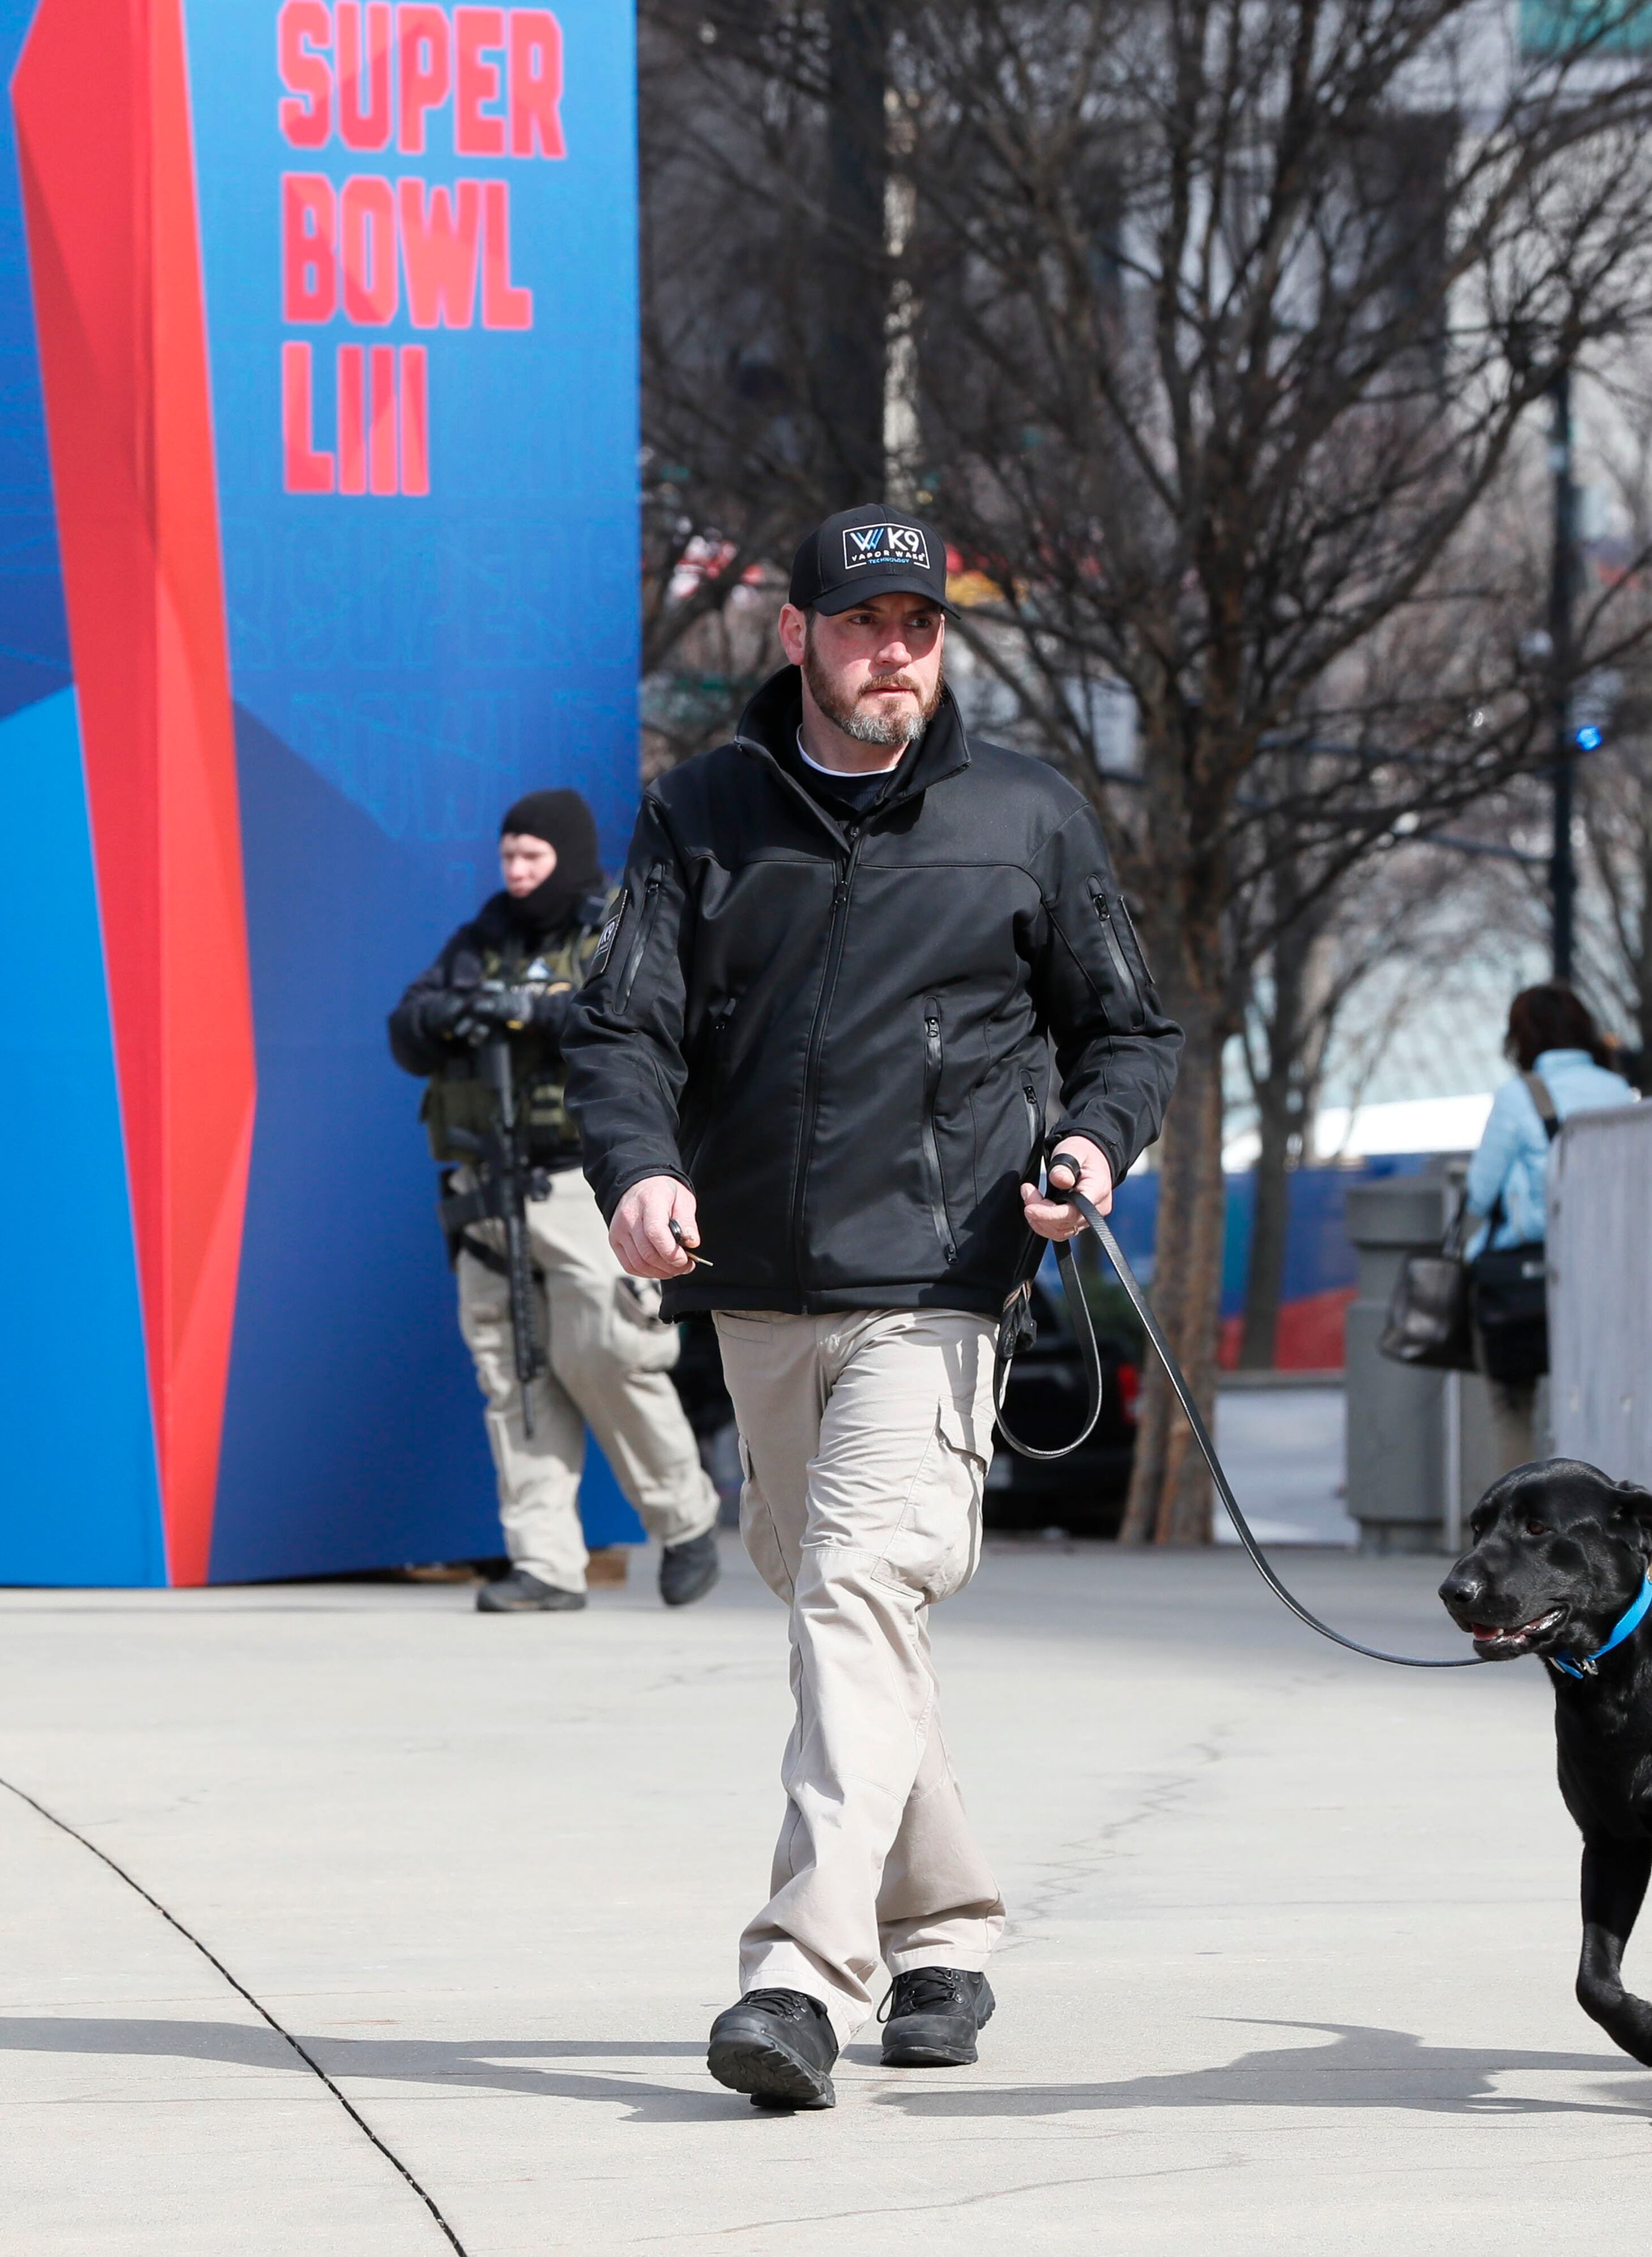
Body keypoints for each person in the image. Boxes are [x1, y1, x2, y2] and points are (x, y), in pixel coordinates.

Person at [563, 504, 1181, 2108]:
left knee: (851, 1586)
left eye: (919, 623)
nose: (892, 650)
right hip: (753, 1285)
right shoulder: (696, 813)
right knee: (848, 1613)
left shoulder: (1027, 814)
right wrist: (635, 1169)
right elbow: (620, 1029)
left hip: (939, 1283)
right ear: (796, 636)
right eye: (862, 623)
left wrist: (1093, 1146)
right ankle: (949, 1930)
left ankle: (796, 1972)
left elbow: (1131, 1036)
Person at [387, 789, 724, 1614]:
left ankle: (685, 1518)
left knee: (609, 1352)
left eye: (532, 857)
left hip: (582, 1180)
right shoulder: (480, 939)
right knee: (513, 1371)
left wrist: (532, 1012)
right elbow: (408, 1027)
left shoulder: (605, 925)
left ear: (565, 856)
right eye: (508, 857)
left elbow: (635, 1013)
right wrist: (463, 1012)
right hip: (487, 1186)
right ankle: (544, 1561)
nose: (517, 872)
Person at [1464, 982, 1636, 1471]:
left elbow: (1481, 1190)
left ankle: (1517, 1534)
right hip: (1606, 1270)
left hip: (1527, 1278)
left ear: (1522, 1037)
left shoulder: (1520, 1095)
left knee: (1513, 1404)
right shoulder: (1619, 1092)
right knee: (1594, 1400)